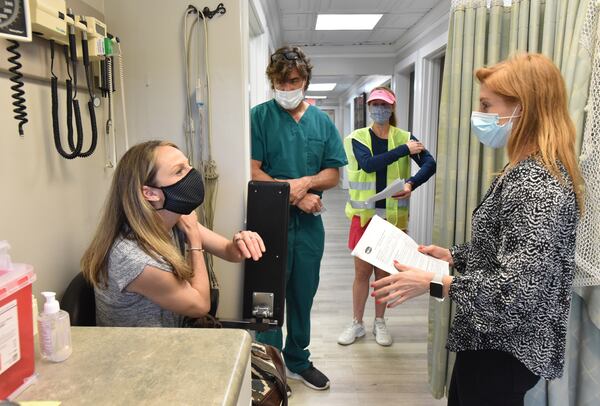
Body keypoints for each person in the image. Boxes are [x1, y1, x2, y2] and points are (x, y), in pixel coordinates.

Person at [372, 53, 584, 406]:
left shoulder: (535, 185)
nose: (480, 114)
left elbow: (516, 293)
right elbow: (507, 252)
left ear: (525, 109)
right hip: (488, 339)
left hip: (503, 349)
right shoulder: (525, 171)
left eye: (487, 104)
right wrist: (454, 256)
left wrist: (434, 283)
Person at [81, 140, 265, 327]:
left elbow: (229, 252)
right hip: (140, 353)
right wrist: (194, 238)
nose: (193, 175)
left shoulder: (172, 219)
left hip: (170, 340)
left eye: (188, 165)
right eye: (179, 171)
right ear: (150, 193)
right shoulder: (133, 258)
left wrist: (241, 242)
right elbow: (200, 305)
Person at [251, 46, 347, 391]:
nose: (285, 87)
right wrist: (295, 195)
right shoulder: (258, 117)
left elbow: (332, 175)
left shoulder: (321, 121)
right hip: (267, 224)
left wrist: (306, 184)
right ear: (271, 80)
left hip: (308, 228)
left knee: (302, 294)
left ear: (305, 80)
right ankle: (268, 363)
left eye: (292, 81)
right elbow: (252, 170)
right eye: (278, 81)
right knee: (267, 297)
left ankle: (297, 360)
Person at [338, 86, 437, 347]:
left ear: (392, 108)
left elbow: (430, 163)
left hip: (392, 217)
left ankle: (379, 322)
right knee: (362, 272)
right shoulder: (356, 138)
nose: (379, 109)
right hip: (365, 215)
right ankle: (356, 322)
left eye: (384, 105)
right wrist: (404, 150)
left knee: (383, 273)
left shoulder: (404, 136)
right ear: (369, 108)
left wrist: (411, 184)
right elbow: (369, 164)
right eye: (375, 105)